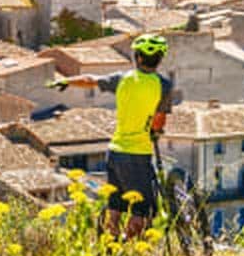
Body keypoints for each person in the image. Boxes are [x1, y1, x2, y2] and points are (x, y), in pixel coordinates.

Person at [52, 33, 172, 239]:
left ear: (138, 57)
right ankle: (129, 246)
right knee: (142, 210)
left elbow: (91, 80)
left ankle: (110, 245)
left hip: (115, 152)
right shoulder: (163, 85)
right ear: (160, 59)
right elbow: (159, 119)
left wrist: (67, 80)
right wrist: (155, 131)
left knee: (115, 205)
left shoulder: (122, 79)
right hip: (138, 154)